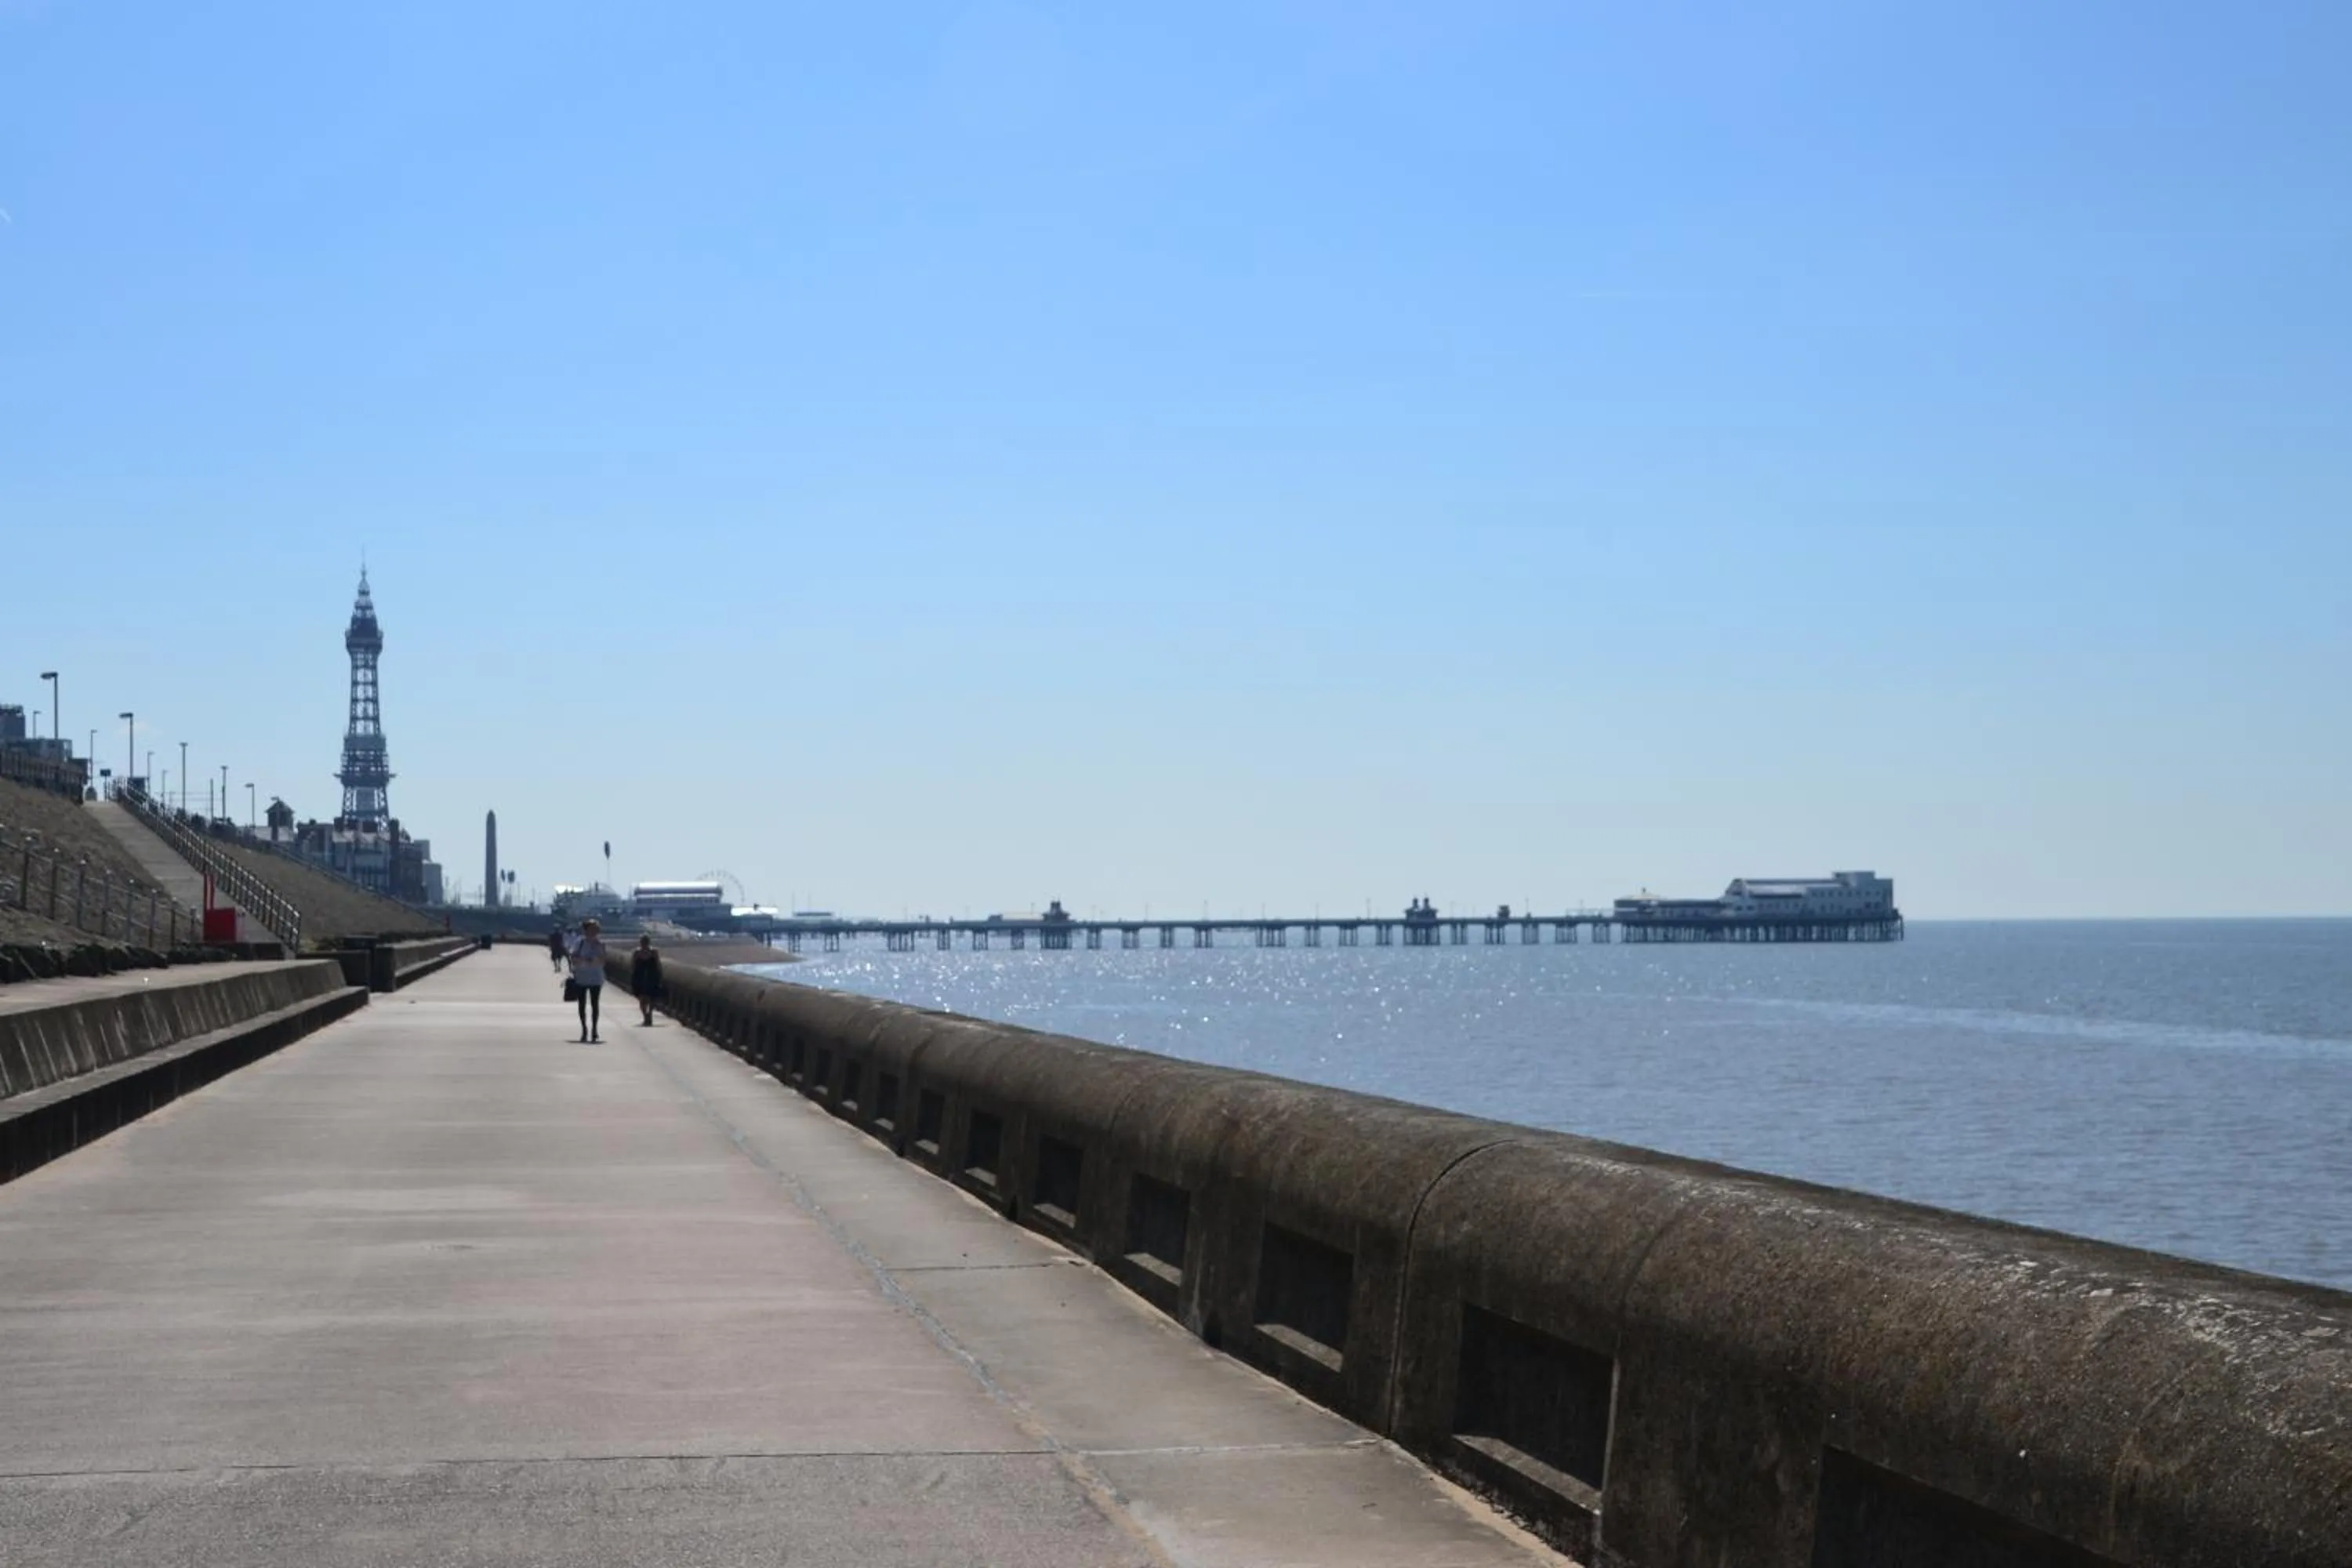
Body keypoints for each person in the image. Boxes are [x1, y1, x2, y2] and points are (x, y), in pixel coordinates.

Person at [566, 918, 607, 1042]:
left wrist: (590, 960)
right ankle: (584, 1029)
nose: (594, 932)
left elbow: (603, 959)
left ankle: (594, 1029)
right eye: (591, 929)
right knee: (582, 1004)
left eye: (596, 929)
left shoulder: (600, 944)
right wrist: (584, 961)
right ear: (586, 930)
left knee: (595, 1004)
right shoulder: (580, 942)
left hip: (596, 977)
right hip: (582, 977)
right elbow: (573, 956)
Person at [630, 934, 663, 1026]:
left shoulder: (654, 952)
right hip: (640, 978)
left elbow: (658, 965)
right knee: (642, 999)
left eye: (645, 942)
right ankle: (646, 1016)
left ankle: (649, 1015)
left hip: (652, 977)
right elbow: (633, 965)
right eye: (643, 942)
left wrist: (660, 976)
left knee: (652, 998)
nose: (644, 944)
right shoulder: (637, 952)